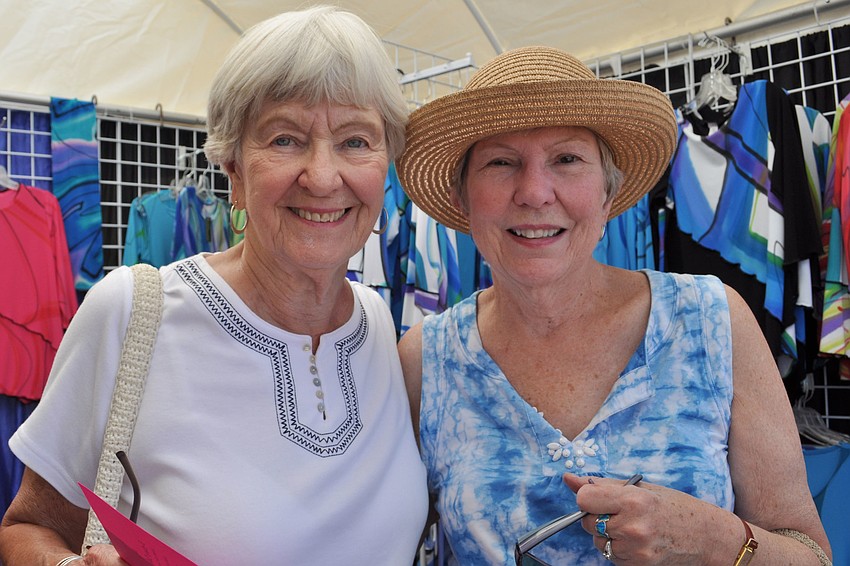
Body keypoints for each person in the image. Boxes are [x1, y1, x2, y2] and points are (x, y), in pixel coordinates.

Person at [0, 6, 428, 565]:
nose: (324, 177)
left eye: (355, 141)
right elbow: (27, 526)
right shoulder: (133, 312)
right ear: (233, 169)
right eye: (285, 139)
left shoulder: (378, 326)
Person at [396, 45, 832, 565]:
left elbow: (812, 555)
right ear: (463, 201)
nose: (534, 192)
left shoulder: (710, 321)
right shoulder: (428, 359)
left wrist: (712, 539)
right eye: (501, 162)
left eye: (567, 159)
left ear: (608, 194)